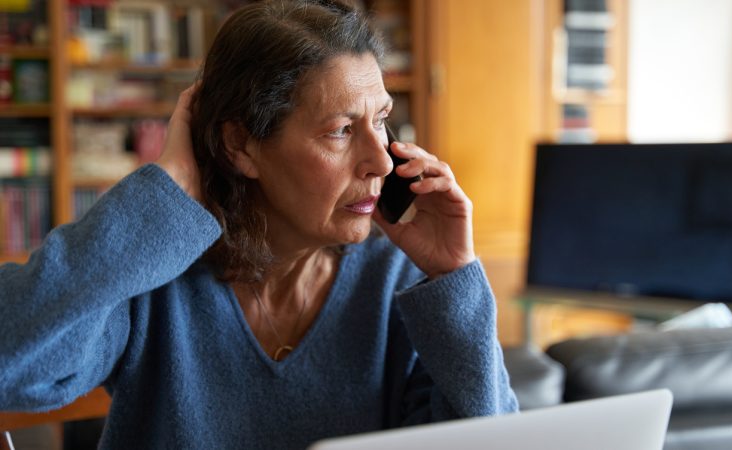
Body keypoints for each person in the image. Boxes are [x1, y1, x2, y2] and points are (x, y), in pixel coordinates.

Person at [0, 1, 518, 448]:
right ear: (240, 146)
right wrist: (167, 186)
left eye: (380, 120)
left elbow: (490, 442)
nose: (381, 162)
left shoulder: (396, 282)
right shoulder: (152, 278)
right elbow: (11, 364)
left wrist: (455, 279)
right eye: (340, 130)